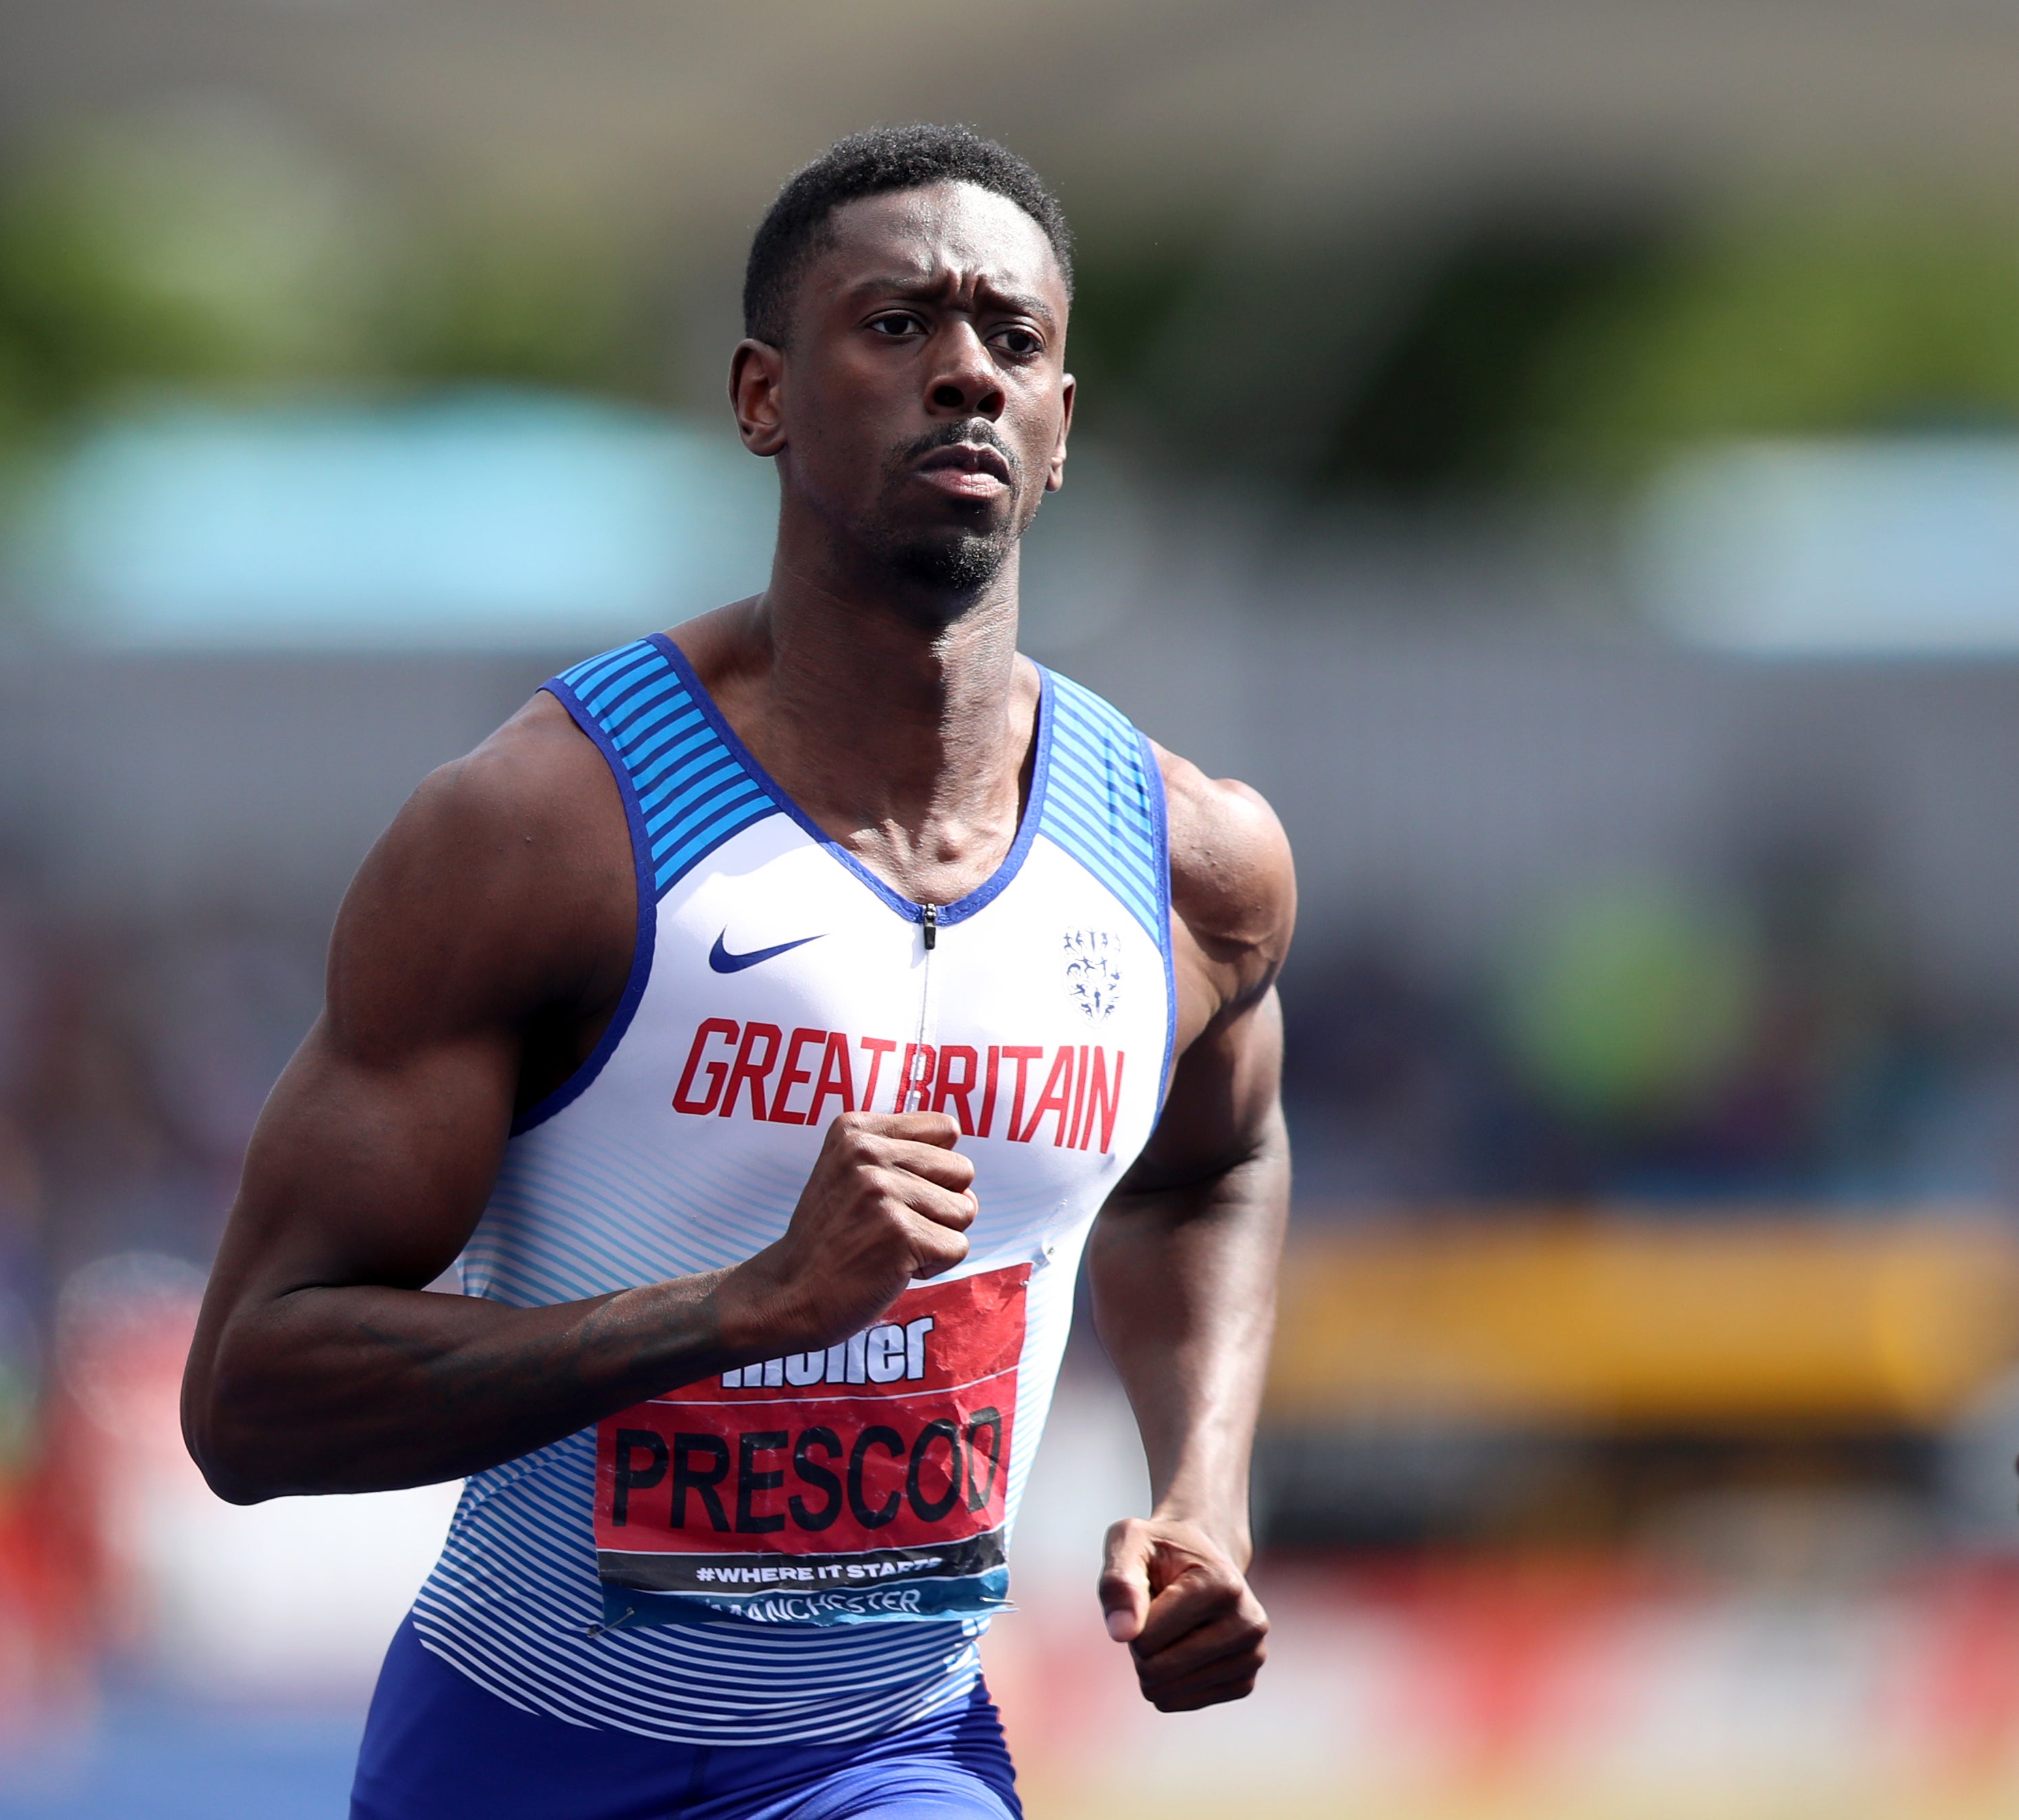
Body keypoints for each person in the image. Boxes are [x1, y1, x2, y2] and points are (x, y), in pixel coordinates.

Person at [182, 124, 1295, 1820]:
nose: (966, 377)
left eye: (1014, 340)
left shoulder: (1191, 865)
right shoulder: (545, 831)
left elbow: (1207, 1171)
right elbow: (251, 1398)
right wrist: (739, 1310)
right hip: (520, 1742)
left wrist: (1203, 1487)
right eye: (900, 325)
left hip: (885, 1753)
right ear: (763, 396)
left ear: (1064, 427)